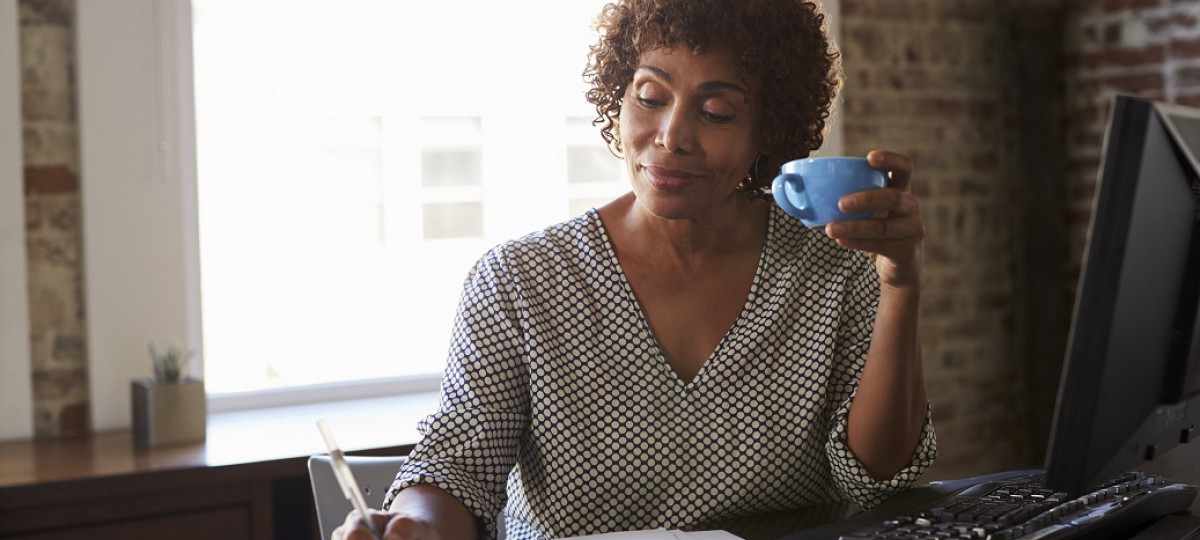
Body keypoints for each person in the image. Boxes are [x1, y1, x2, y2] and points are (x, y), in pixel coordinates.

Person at [336, 0, 936, 538]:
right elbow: (454, 468)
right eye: (650, 98)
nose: (672, 136)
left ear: (767, 131)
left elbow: (878, 478)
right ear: (618, 99)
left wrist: (900, 283)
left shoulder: (835, 271)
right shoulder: (519, 281)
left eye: (719, 112)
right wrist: (415, 527)